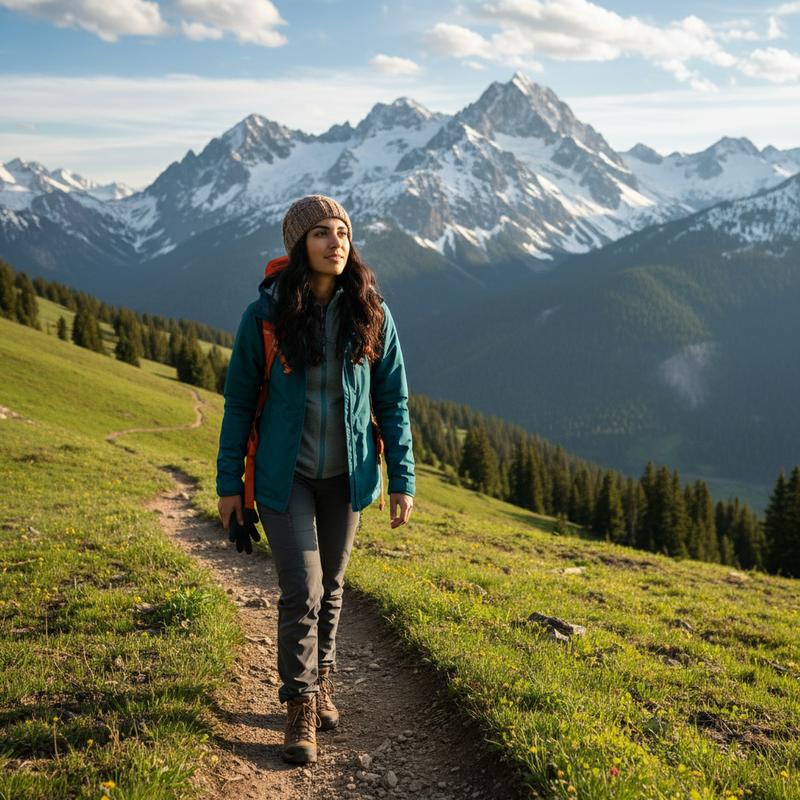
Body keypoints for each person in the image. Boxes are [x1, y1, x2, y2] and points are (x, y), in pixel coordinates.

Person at [215, 195, 415, 765]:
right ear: (299, 245)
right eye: (322, 233)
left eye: (343, 232)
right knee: (301, 589)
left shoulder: (371, 311)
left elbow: (393, 402)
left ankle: (322, 675)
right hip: (286, 477)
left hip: (347, 476)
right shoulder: (266, 316)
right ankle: (299, 704)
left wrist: (402, 479)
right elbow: (237, 403)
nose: (336, 242)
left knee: (331, 585)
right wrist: (230, 484)